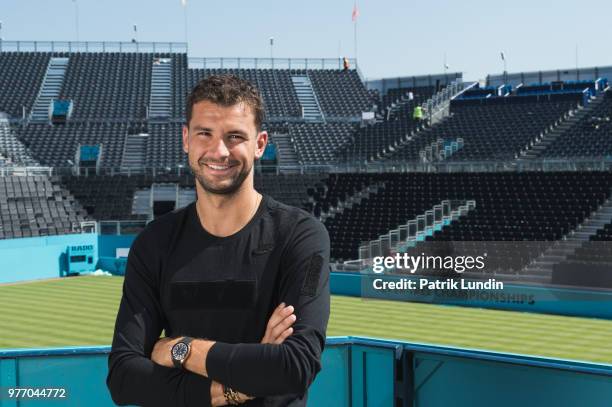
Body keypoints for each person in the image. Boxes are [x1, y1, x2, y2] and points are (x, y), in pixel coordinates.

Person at [106, 74, 331, 406]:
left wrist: (182, 349)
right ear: (186, 139)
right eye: (204, 133)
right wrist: (242, 385)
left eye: (235, 136)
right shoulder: (154, 243)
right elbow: (124, 378)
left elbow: (295, 366)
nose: (219, 150)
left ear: (260, 144)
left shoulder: (302, 237)